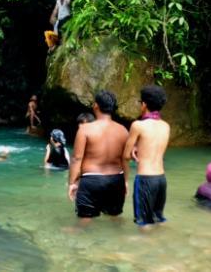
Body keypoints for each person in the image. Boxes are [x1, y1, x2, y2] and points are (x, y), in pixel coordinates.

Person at [68, 90, 129, 222]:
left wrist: (72, 183)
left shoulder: (85, 129)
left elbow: (77, 158)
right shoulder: (123, 130)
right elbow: (125, 159)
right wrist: (125, 181)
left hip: (91, 180)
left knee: (85, 220)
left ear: (96, 105)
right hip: (116, 179)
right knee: (115, 219)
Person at [123, 85, 170, 227]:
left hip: (145, 180)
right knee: (158, 219)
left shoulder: (138, 125)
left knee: (143, 225)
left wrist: (132, 152)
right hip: (161, 179)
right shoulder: (166, 126)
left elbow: (125, 155)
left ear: (144, 104)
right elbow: (155, 149)